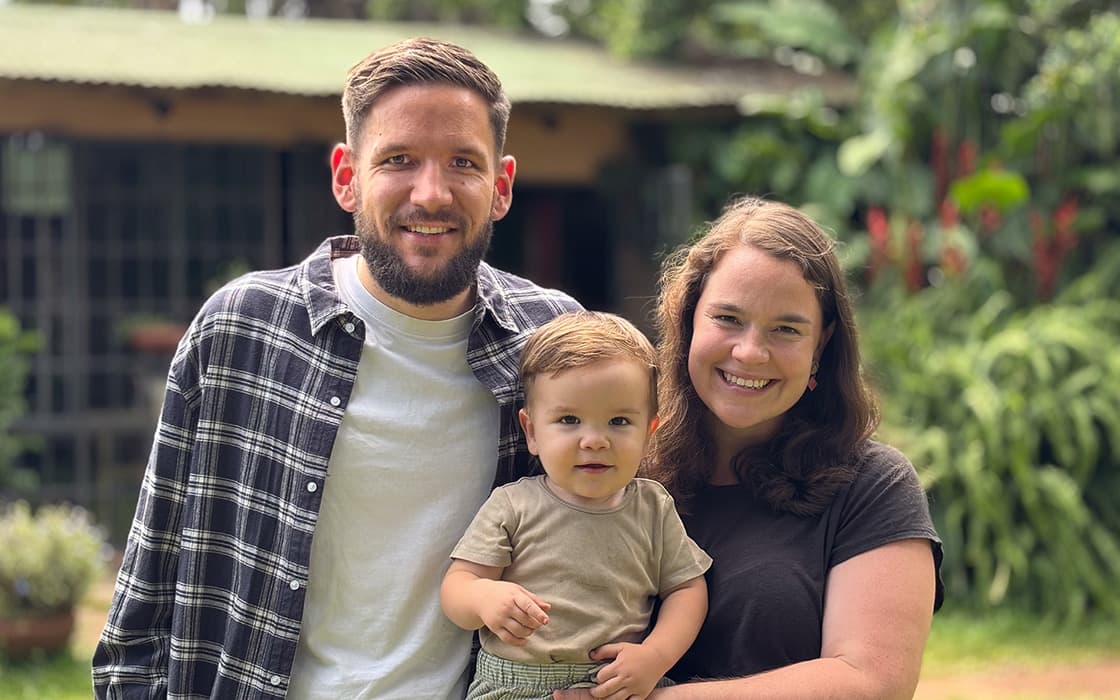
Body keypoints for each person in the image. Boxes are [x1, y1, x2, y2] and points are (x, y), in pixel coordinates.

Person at [93, 37, 581, 699]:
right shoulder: (242, 328)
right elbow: (145, 597)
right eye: (399, 160)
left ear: (501, 186)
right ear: (347, 176)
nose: (431, 193)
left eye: (462, 162)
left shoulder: (550, 338)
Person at [557, 196, 944, 700]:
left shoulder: (872, 485)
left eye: (786, 329)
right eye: (728, 319)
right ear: (688, 319)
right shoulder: (620, 465)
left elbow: (872, 682)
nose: (749, 352)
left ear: (821, 346)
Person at [441, 310, 711, 700]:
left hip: (615, 683)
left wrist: (656, 656)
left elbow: (687, 589)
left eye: (619, 421)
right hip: (514, 683)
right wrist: (485, 598)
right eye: (569, 420)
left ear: (649, 433)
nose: (594, 440)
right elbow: (456, 587)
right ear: (532, 432)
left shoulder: (652, 507)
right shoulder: (513, 505)